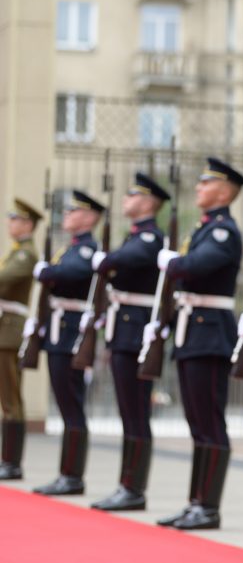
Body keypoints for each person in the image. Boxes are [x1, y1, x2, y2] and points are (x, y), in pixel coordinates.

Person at [154, 157, 243, 530]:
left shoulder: (223, 231)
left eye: (205, 183)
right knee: (196, 422)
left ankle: (208, 507)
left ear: (223, 191)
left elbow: (197, 267)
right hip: (193, 331)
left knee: (210, 421)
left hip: (210, 334)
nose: (198, 188)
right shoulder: (206, 227)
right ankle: (196, 502)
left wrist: (173, 261)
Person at [89, 172, 169, 511]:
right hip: (123, 331)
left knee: (136, 412)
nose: (125, 200)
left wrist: (106, 261)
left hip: (136, 332)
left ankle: (134, 489)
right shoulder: (135, 236)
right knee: (128, 412)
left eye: (132, 195)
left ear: (149, 202)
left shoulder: (150, 238)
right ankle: (127, 484)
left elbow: (128, 260)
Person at [31, 190, 104, 496]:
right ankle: (66, 473)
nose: (68, 215)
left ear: (89, 217)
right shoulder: (71, 247)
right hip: (59, 330)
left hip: (72, 333)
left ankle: (72, 476)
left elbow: (76, 273)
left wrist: (48, 272)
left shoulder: (87, 249)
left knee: (72, 405)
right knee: (65, 404)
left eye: (75, 211)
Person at [0, 199, 42, 480]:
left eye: (16, 218)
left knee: (11, 398)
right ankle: (8, 460)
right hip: (5, 328)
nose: (11, 223)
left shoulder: (26, 254)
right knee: (7, 398)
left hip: (10, 331)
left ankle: (12, 463)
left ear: (28, 224)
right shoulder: (16, 251)